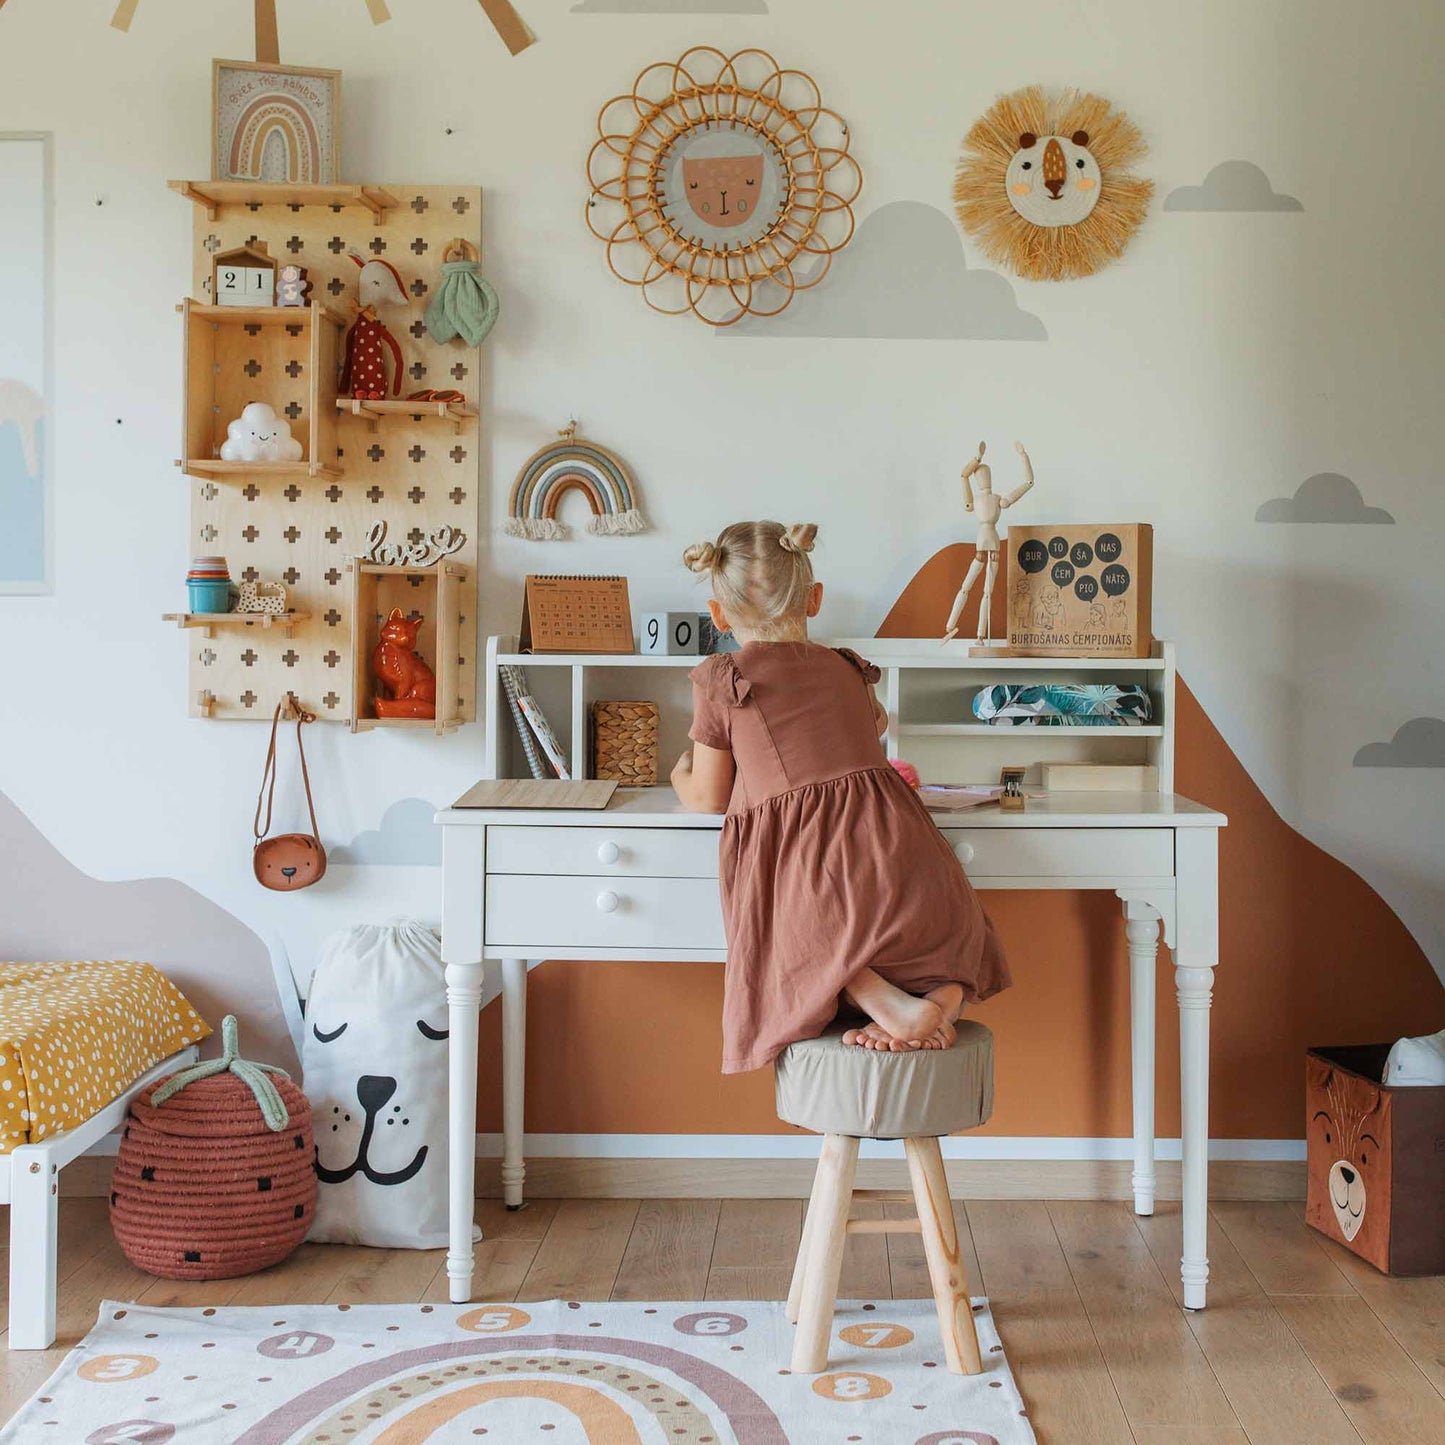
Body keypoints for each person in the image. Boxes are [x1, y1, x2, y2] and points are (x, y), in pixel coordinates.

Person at [672, 520, 1010, 1074]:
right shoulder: (847, 668)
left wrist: (677, 774)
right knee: (937, 924)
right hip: (902, 843)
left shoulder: (723, 678)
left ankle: (885, 1002)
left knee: (796, 922)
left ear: (718, 614)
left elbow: (709, 797)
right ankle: (942, 996)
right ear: (815, 598)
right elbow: (868, 728)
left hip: (822, 858)